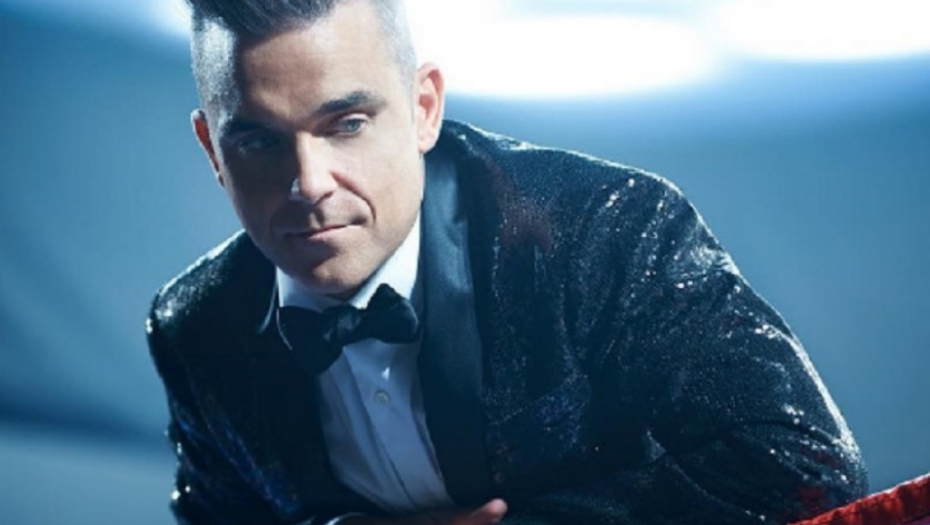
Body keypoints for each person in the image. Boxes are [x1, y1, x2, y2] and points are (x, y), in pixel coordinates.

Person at [145, 0, 869, 523]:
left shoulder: (603, 229)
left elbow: (804, 463)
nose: (308, 184)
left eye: (348, 124)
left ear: (424, 107)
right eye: (259, 142)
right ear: (212, 149)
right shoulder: (194, 328)